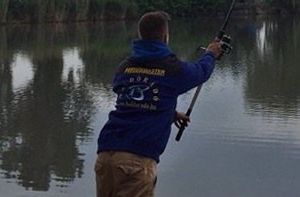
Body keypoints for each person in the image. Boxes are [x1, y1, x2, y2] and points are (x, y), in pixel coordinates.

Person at [95, 11, 226, 197]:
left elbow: (129, 98)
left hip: (105, 156)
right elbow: (201, 72)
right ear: (165, 37)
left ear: (141, 35)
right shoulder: (172, 69)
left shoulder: (124, 67)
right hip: (136, 162)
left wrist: (169, 113)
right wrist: (211, 53)